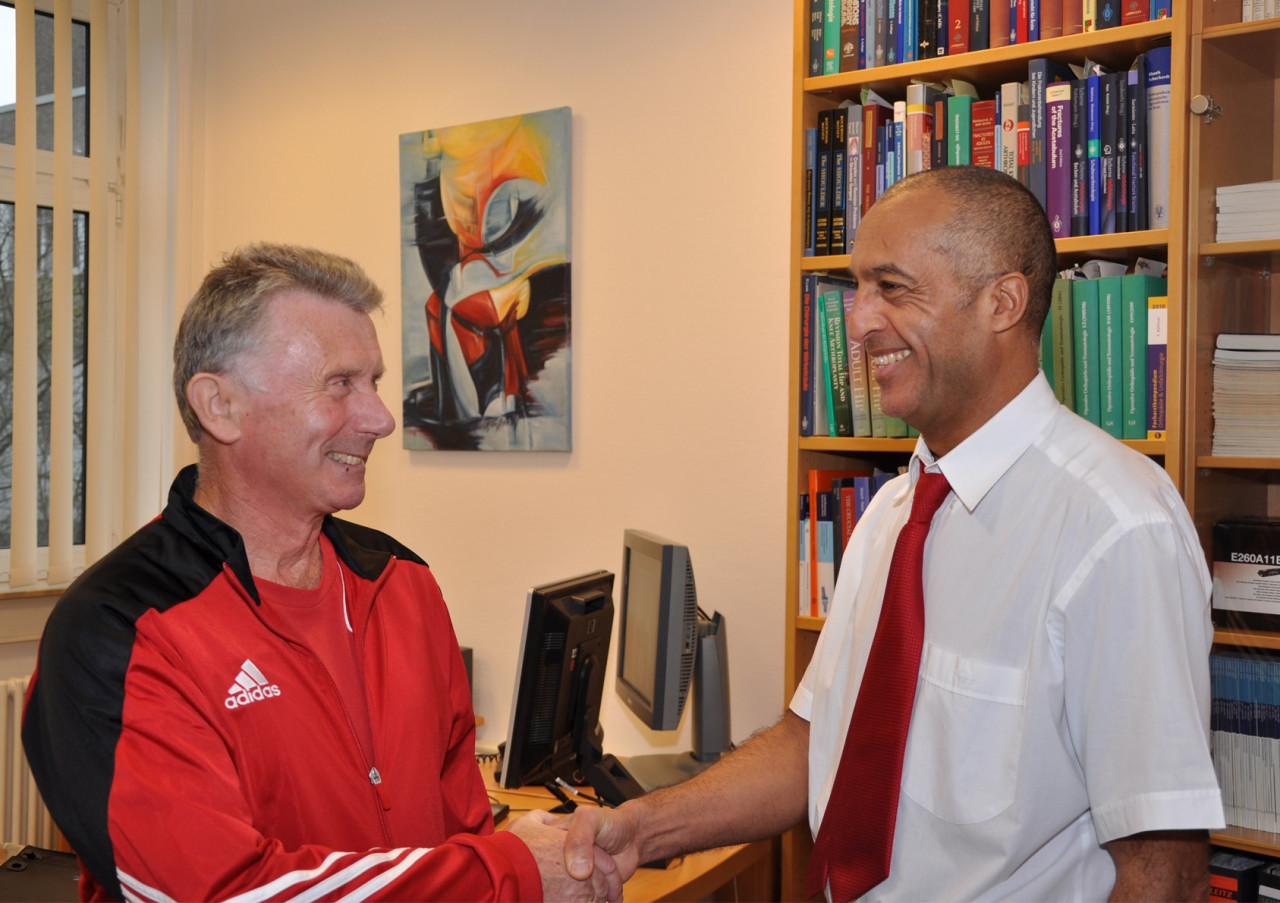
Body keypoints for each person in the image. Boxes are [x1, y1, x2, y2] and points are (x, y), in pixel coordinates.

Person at [562, 166, 1225, 901]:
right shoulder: (891, 515)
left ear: (1001, 302)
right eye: (858, 288)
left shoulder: (1117, 527)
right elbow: (814, 743)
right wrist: (642, 828)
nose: (857, 320)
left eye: (892, 287)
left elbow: (1163, 872)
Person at [21, 243, 623, 902]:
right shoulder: (114, 630)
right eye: (340, 383)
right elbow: (219, 891)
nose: (381, 418)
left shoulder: (404, 582)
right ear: (219, 406)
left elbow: (462, 825)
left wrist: (520, 867)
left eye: (375, 381)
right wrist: (508, 871)